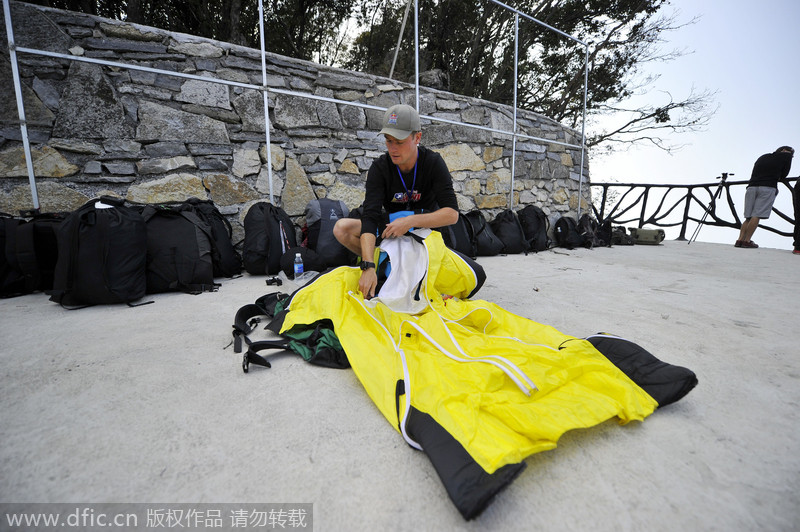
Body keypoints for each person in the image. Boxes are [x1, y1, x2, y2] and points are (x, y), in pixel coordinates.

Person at [333, 103, 459, 298]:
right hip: (391, 231)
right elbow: (370, 217)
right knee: (341, 228)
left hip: (424, 232)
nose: (393, 148)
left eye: (399, 141)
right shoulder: (380, 167)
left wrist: (410, 221)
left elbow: (452, 214)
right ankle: (380, 265)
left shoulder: (433, 162)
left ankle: (412, 270)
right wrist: (367, 266)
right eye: (388, 140)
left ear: (417, 137)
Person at [735, 145, 794, 248]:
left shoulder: (764, 156)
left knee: (748, 217)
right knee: (756, 215)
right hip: (767, 187)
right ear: (785, 151)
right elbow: (784, 174)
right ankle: (747, 241)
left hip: (751, 187)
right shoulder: (786, 156)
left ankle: (740, 240)